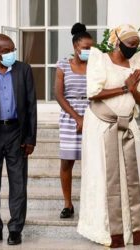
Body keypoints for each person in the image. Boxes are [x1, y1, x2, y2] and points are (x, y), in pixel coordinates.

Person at [77, 24, 140, 248]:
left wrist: (134, 90)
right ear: (117, 41)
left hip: (128, 126)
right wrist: (125, 88)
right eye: (130, 44)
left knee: (132, 176)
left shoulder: (136, 62)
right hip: (102, 127)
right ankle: (107, 231)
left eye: (136, 45)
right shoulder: (100, 59)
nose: (133, 48)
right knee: (104, 177)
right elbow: (94, 93)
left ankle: (131, 228)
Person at [0, 34, 37, 245]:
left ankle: (15, 229)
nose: (11, 54)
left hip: (16, 134)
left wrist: (30, 138)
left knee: (18, 184)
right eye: (5, 51)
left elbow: (31, 106)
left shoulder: (24, 70)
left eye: (12, 50)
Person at [54, 23, 93, 219]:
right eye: (86, 47)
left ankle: (90, 203)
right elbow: (59, 95)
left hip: (93, 116)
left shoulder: (95, 65)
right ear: (76, 47)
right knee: (67, 162)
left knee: (92, 162)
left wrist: (88, 118)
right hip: (70, 117)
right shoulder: (63, 65)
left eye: (91, 47)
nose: (89, 50)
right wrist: (77, 117)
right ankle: (68, 204)